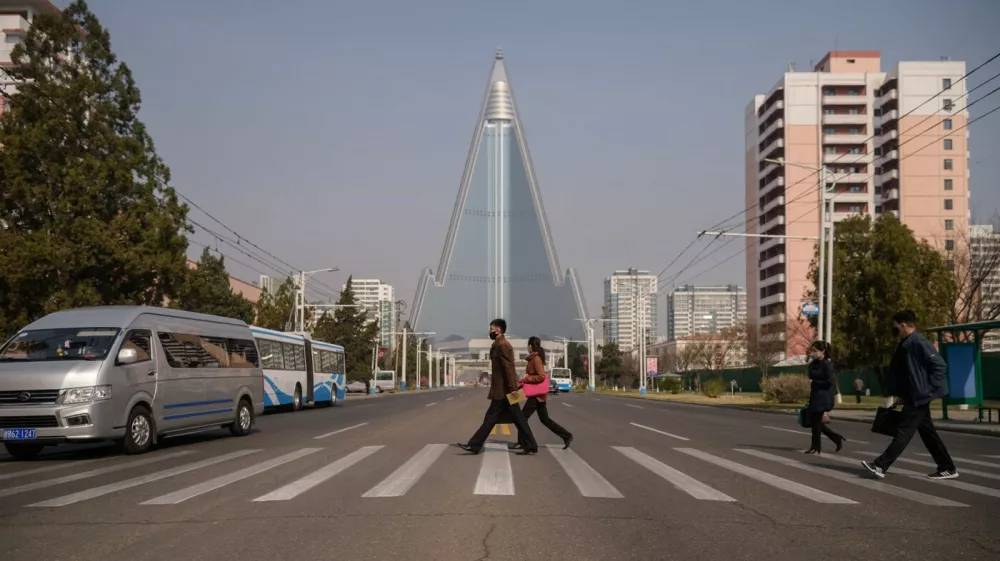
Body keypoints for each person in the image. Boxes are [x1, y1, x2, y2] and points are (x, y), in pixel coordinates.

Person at [862, 310, 958, 480]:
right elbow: (907, 372)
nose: (895, 330)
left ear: (903, 325)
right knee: (928, 434)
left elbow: (940, 366)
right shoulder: (907, 342)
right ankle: (947, 467)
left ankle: (880, 465)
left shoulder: (919, 342)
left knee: (903, 432)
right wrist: (901, 394)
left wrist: (927, 390)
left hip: (919, 396)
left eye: (896, 327)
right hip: (911, 394)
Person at [458, 319, 538, 455]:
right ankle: (530, 444)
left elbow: (509, 368)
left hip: (505, 390)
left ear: (498, 330)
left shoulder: (503, 345)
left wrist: (513, 389)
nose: (489, 331)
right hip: (503, 390)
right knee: (513, 418)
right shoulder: (498, 345)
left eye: (491, 328)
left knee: (496, 417)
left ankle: (475, 444)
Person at [510, 336, 573, 451]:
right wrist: (518, 385)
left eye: (527, 346)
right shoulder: (533, 358)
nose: (527, 348)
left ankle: (523, 442)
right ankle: (566, 435)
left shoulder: (536, 359)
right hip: (537, 394)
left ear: (530, 346)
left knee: (522, 417)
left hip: (536, 394)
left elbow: (541, 376)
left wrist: (528, 378)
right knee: (544, 419)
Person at [804, 340, 845, 455]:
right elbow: (811, 374)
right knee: (815, 422)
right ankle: (836, 438)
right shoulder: (813, 364)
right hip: (815, 395)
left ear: (822, 351)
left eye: (815, 351)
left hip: (823, 397)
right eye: (811, 351)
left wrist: (814, 382)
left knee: (815, 423)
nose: (812, 353)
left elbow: (829, 381)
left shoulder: (827, 364)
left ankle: (815, 447)